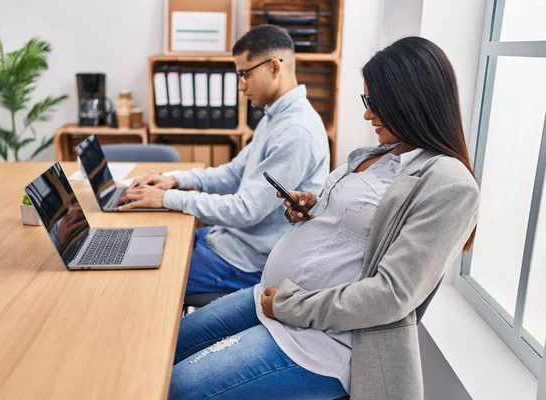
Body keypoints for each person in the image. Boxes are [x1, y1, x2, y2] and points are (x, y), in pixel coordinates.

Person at [168, 36, 480, 399]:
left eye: (377, 103)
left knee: (180, 388)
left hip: (319, 340)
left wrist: (288, 305)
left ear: (412, 100)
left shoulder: (449, 184)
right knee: (167, 345)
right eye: (367, 102)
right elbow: (362, 227)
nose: (367, 114)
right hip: (273, 298)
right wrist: (316, 208)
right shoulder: (381, 152)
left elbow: (391, 295)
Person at [118, 25, 330, 296]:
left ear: (275, 67)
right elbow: (233, 173)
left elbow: (245, 210)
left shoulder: (295, 131)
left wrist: (166, 198)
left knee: (136, 281)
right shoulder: (276, 117)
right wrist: (176, 179)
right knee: (136, 247)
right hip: (224, 240)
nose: (241, 85)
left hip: (244, 263)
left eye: (245, 74)